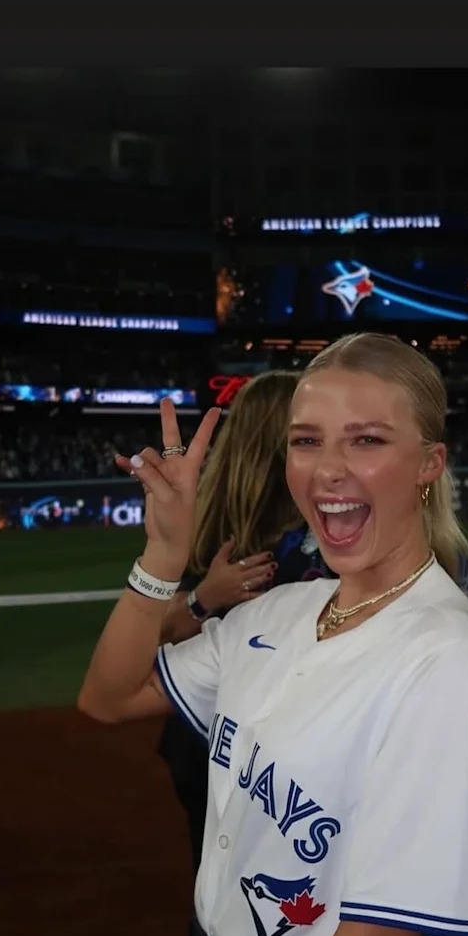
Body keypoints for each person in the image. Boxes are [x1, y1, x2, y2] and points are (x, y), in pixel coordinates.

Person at [78, 331, 468, 936]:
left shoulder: (445, 655)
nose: (328, 469)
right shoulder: (280, 609)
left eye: (367, 439)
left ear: (429, 463)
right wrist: (164, 558)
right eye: (306, 440)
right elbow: (110, 696)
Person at [155, 370, 331, 876]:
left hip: (289, 741)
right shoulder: (204, 521)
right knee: (230, 888)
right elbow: (148, 632)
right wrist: (204, 598)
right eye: (307, 432)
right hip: (220, 737)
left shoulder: (322, 515)